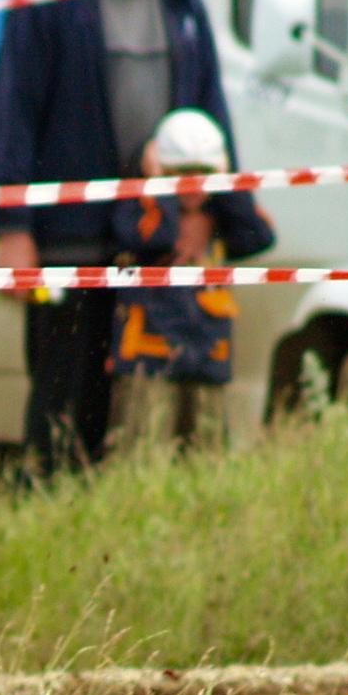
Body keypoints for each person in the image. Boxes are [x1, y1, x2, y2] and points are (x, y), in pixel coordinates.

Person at [0, 0, 271, 473]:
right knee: (65, 405)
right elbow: (13, 116)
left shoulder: (180, 5)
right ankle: (51, 524)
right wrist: (13, 235)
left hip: (158, 245)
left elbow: (209, 120)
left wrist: (209, 214)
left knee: (153, 416)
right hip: (71, 245)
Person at [106, 109, 239, 458]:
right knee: (143, 455)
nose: (194, 184)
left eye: (205, 173)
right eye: (181, 174)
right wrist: (160, 187)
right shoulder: (142, 207)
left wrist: (216, 202)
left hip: (207, 355)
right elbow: (158, 236)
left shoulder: (219, 217)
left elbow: (259, 232)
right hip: (149, 359)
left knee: (206, 459)